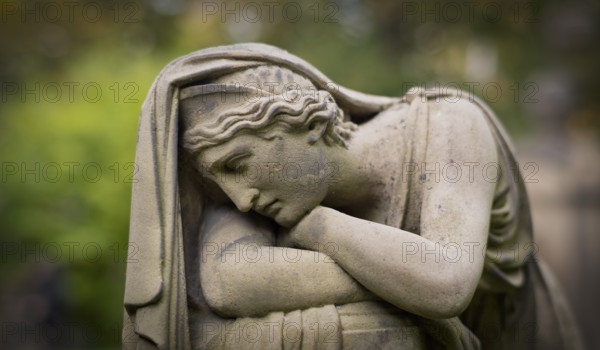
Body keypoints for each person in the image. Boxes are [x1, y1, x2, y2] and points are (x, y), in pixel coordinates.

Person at [123, 43, 581, 350]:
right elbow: (226, 281)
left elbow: (444, 282)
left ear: (301, 120)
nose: (240, 200)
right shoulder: (271, 194)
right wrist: (401, 281)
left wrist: (318, 226)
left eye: (238, 164)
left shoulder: (447, 127)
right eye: (221, 182)